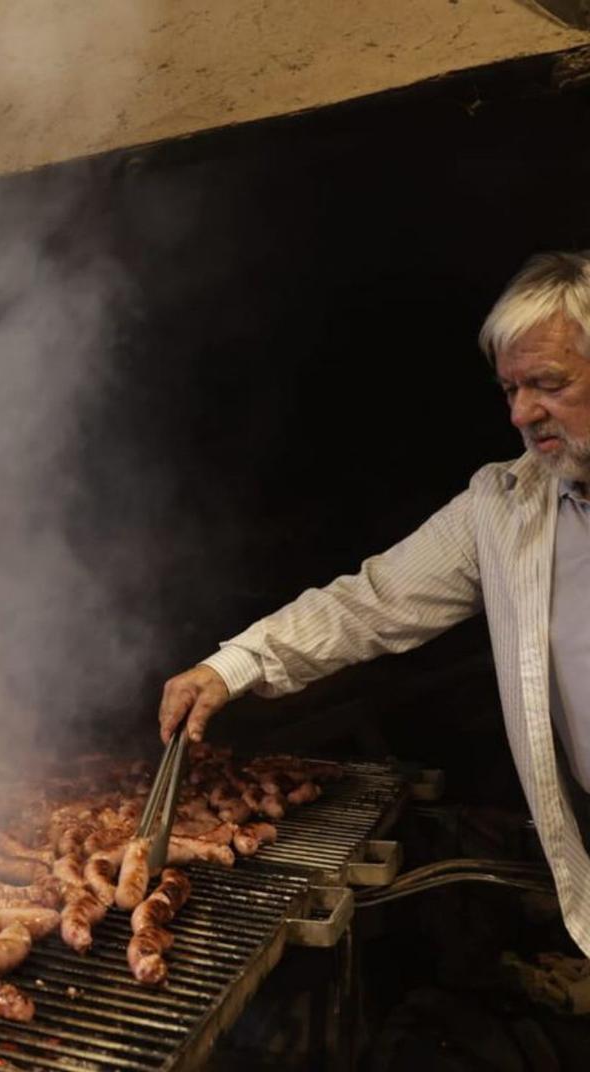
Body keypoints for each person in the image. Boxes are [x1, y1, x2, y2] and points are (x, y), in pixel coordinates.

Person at [157, 250, 590, 956]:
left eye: (548, 384)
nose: (522, 413)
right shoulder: (505, 506)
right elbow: (371, 602)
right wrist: (231, 666)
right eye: (510, 389)